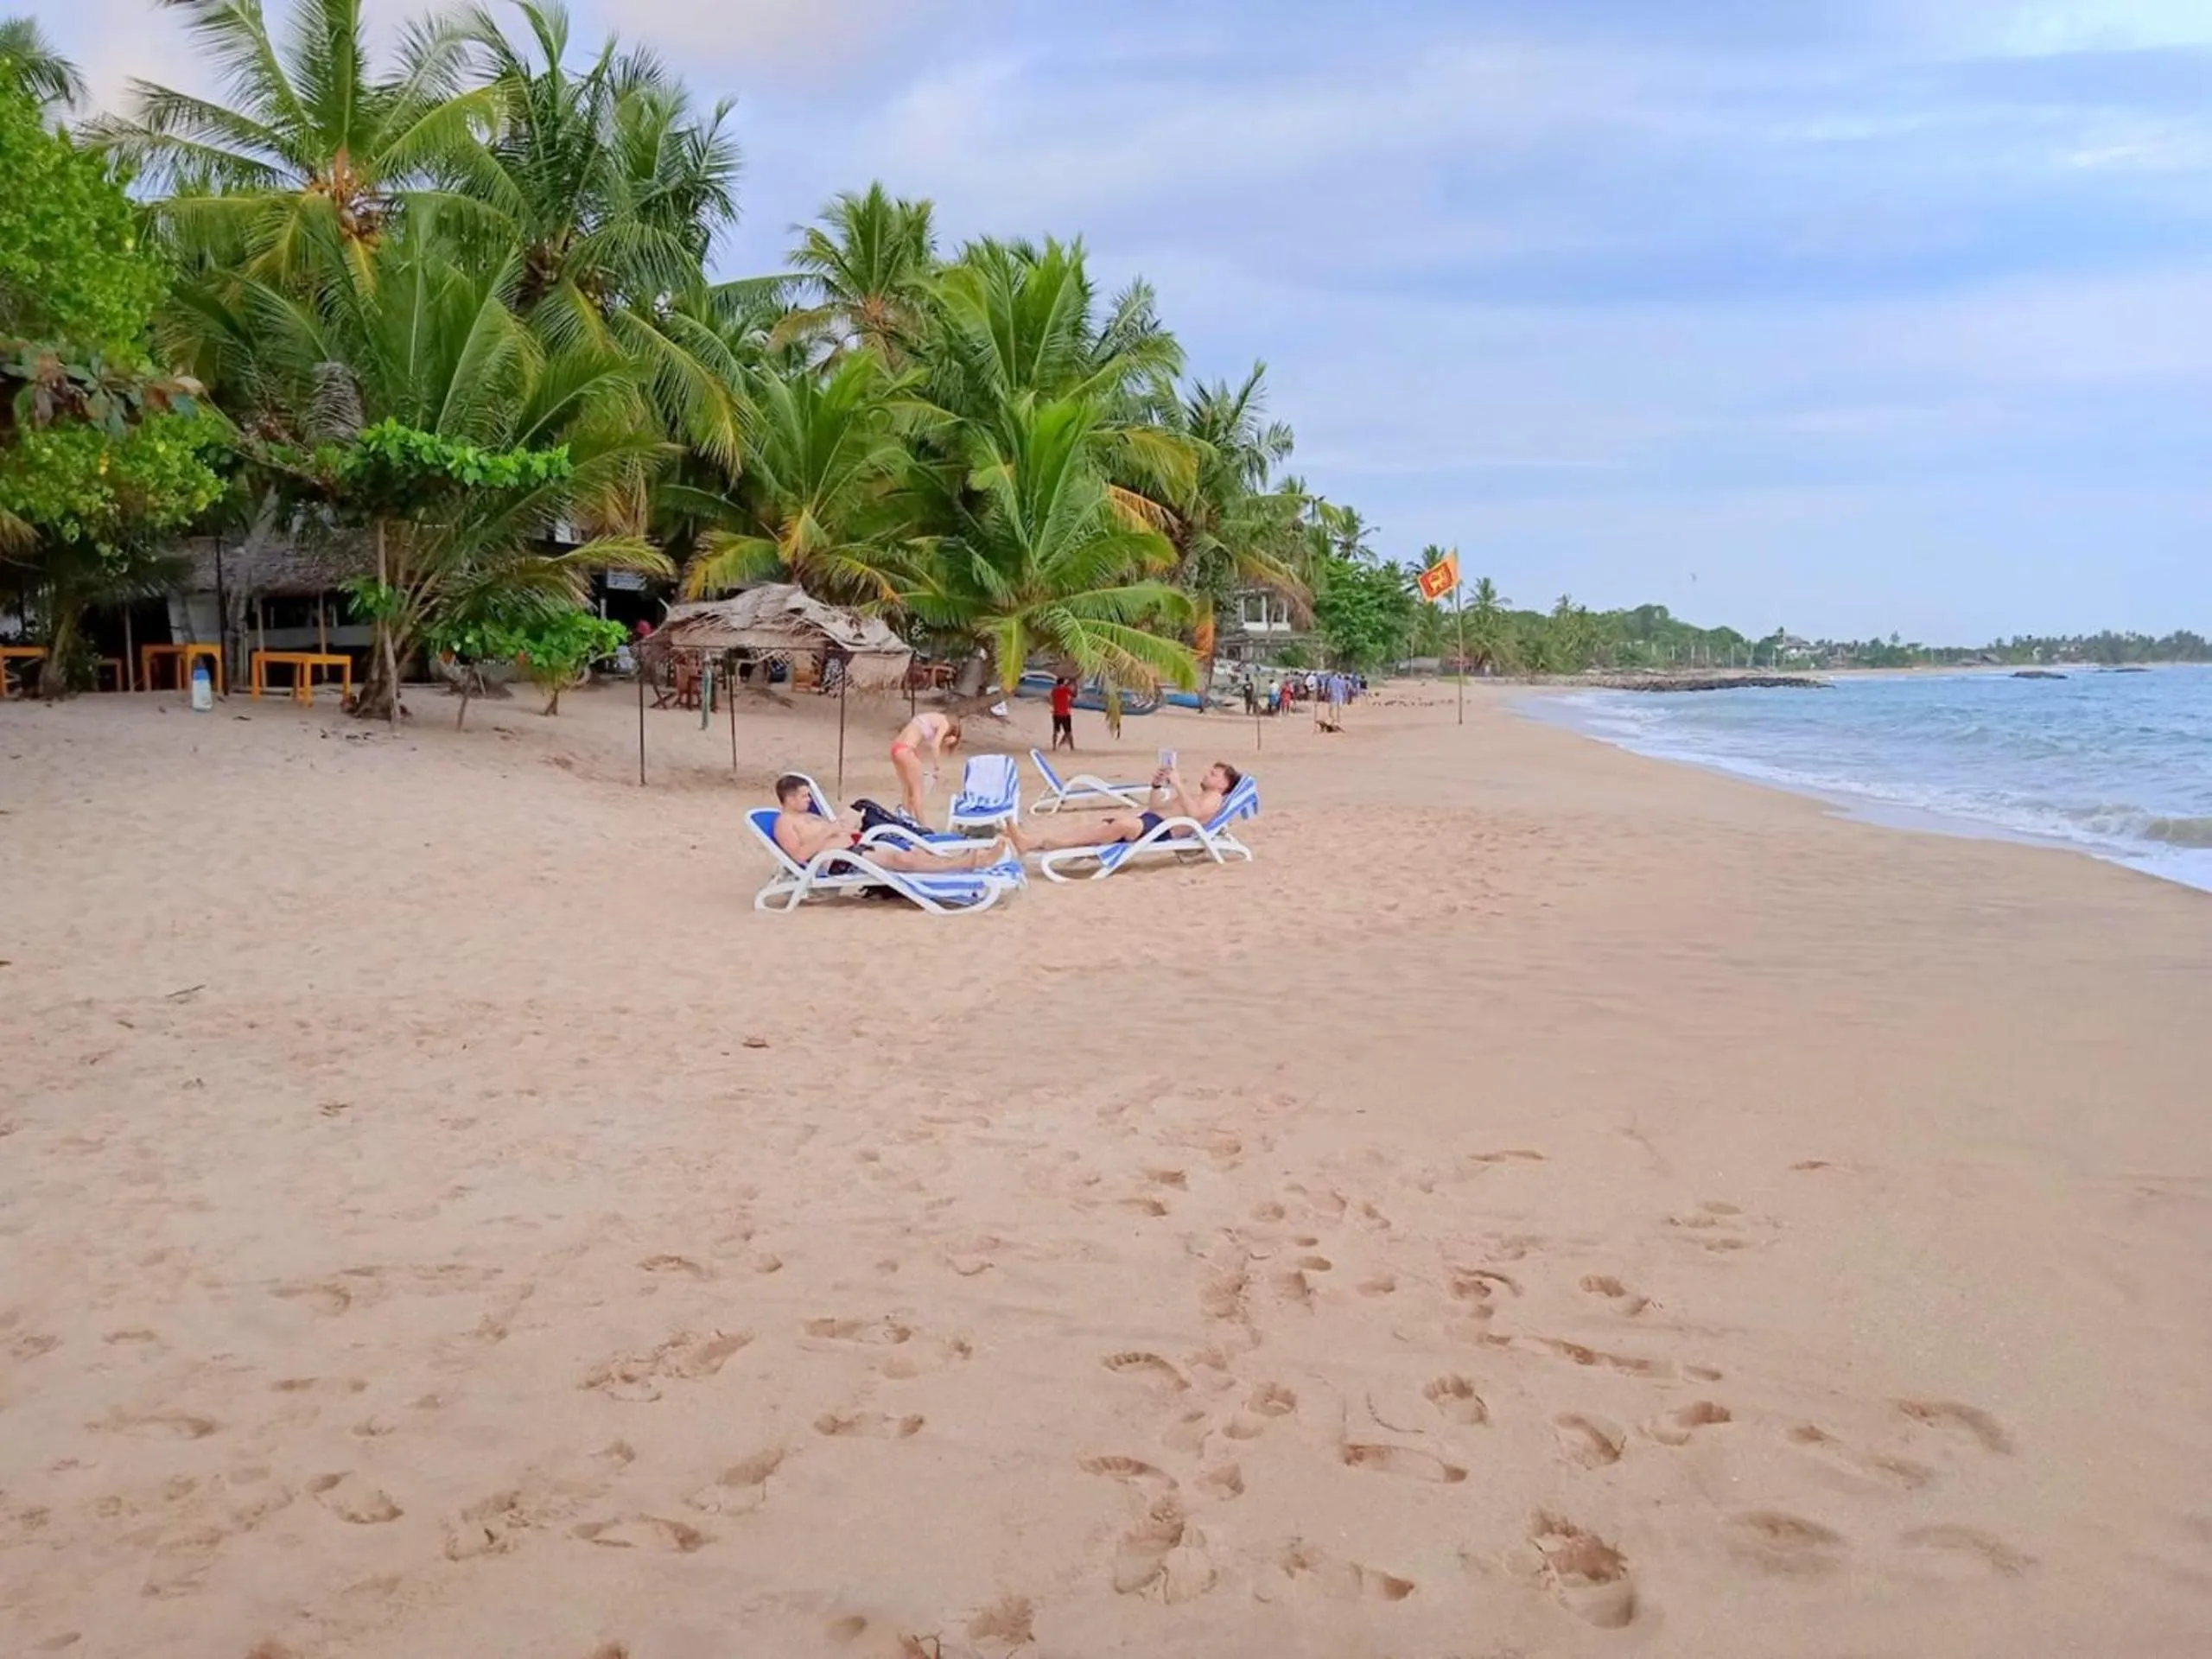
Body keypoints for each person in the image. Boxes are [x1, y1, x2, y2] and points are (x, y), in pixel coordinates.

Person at [770, 776, 1007, 874]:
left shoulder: (807, 817)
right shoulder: (785, 823)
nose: (809, 800)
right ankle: (968, 862)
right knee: (903, 860)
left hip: (855, 847)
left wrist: (844, 828)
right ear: (789, 799)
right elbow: (799, 855)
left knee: (911, 854)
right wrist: (829, 832)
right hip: (841, 860)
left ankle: (968, 860)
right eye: (804, 797)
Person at [1008, 762, 1243, 855]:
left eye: (1213, 774)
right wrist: (1156, 785)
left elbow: (1195, 817)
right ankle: (1034, 841)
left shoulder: (1213, 799)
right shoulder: (1198, 795)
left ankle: (1042, 844)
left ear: (1224, 784)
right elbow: (1156, 806)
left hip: (1160, 831)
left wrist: (1179, 784)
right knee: (1104, 825)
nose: (1206, 774)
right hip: (1150, 822)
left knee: (1120, 825)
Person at [889, 710, 962, 822]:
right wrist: (937, 767)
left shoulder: (934, 718)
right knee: (917, 792)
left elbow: (925, 741)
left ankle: (905, 820)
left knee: (907, 790)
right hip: (907, 751)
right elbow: (935, 746)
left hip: (896, 749)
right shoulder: (945, 723)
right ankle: (922, 824)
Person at [1050, 676, 1077, 752]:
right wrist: (1074, 685)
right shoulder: (1065, 689)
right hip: (1065, 713)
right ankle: (1072, 747)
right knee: (1068, 731)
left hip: (1056, 713)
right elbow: (1074, 695)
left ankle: (1054, 747)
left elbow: (1051, 700)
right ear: (1063, 683)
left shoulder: (1054, 690)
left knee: (1055, 731)